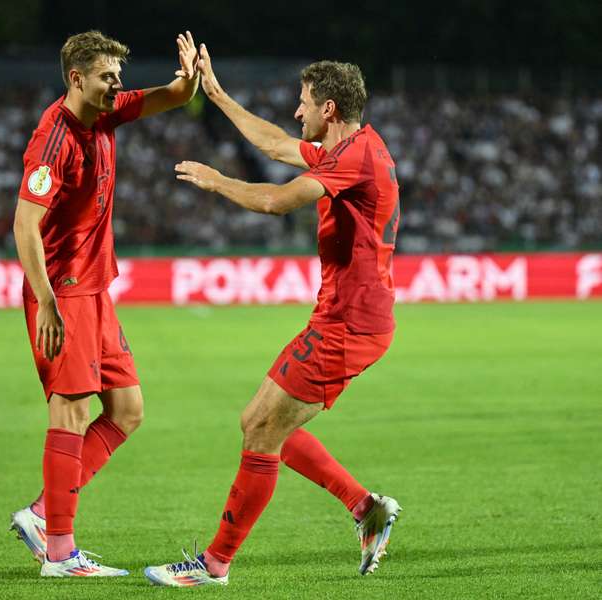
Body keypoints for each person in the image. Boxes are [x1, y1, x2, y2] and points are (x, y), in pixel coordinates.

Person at [144, 45, 402, 587]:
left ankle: (214, 565)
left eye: (303, 102)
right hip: (345, 319)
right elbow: (275, 144)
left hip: (349, 324)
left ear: (328, 109)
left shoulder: (355, 158)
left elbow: (276, 202)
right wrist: (214, 93)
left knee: (262, 429)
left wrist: (218, 182)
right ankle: (365, 508)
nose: (295, 111)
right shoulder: (351, 148)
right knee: (259, 424)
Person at [10, 30, 199, 577]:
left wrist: (188, 78)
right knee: (70, 409)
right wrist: (46, 302)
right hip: (62, 291)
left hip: (94, 290)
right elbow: (24, 223)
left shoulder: (106, 114)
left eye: (118, 75)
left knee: (127, 409)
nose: (118, 85)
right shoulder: (52, 140)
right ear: (76, 79)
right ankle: (61, 554)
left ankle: (44, 513)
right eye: (107, 76)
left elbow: (172, 97)